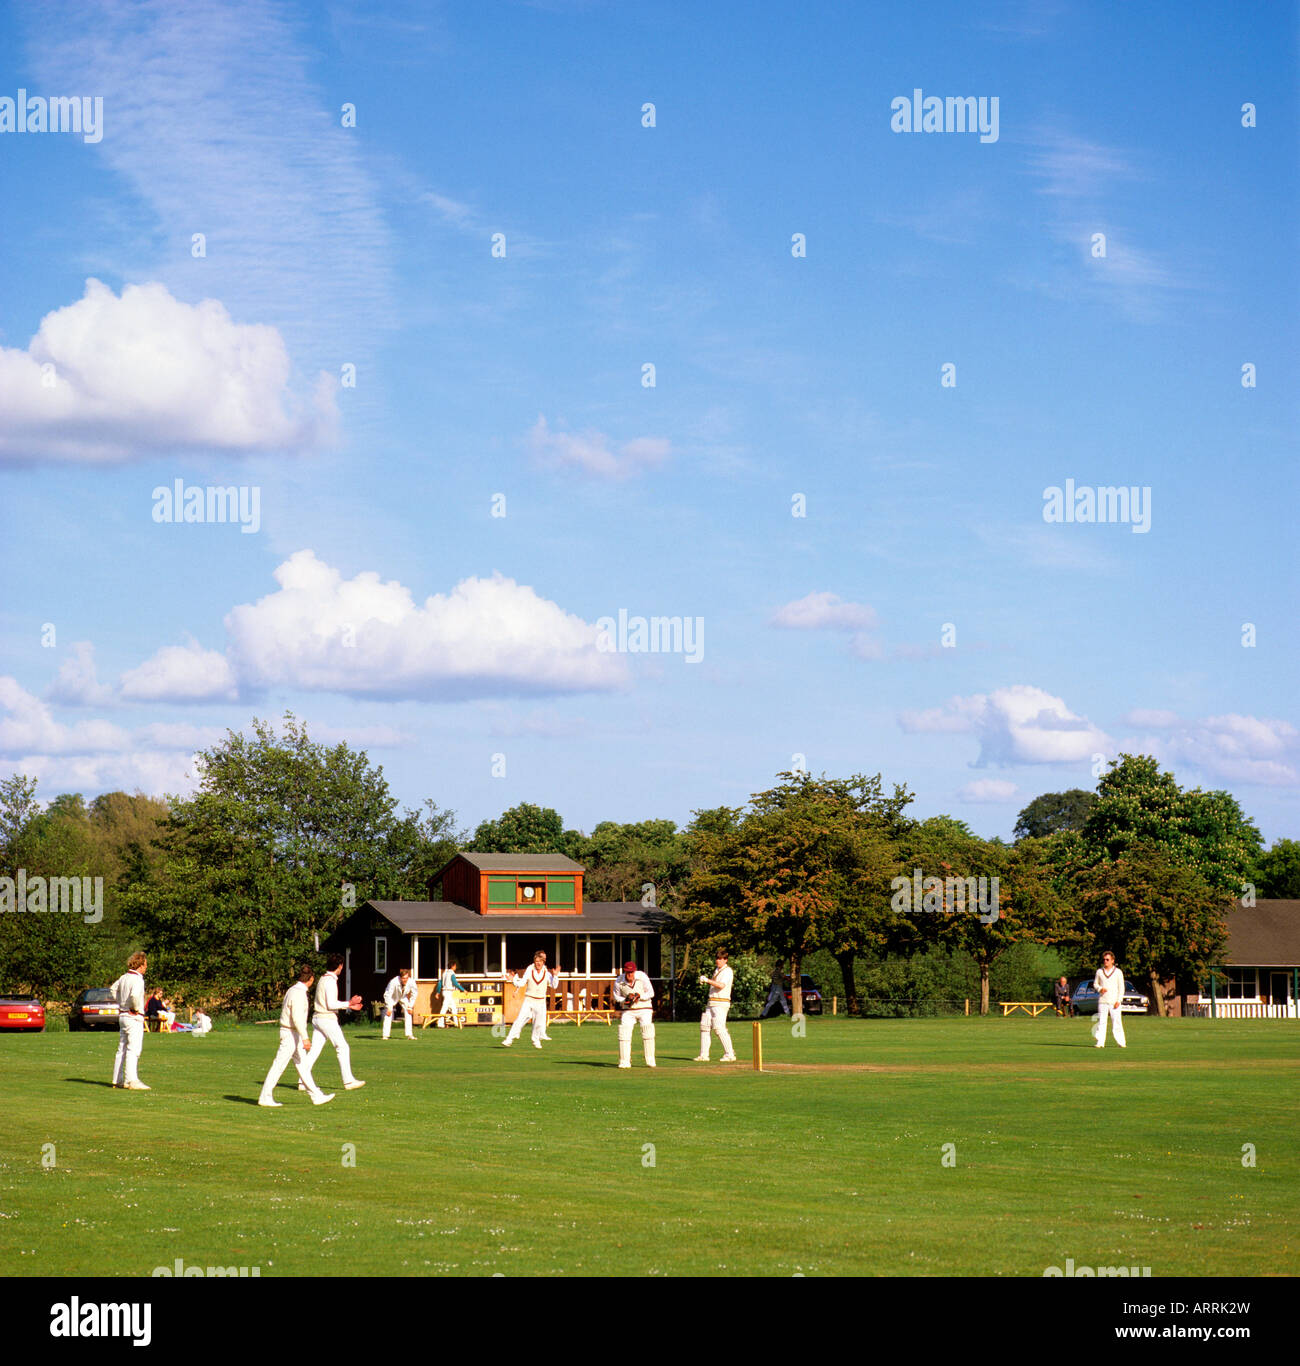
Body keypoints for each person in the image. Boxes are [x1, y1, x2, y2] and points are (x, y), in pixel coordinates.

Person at [260, 966, 334, 1107]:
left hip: (292, 1033)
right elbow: (297, 1018)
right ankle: (265, 1096)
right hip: (290, 1034)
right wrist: (305, 1037)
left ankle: (316, 1096)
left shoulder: (292, 990)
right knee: (279, 1066)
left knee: (303, 1066)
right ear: (311, 979)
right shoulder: (299, 993)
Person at [302, 953, 366, 1089]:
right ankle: (348, 1081)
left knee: (315, 1050)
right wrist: (349, 1003)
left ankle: (302, 1081)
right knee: (342, 1047)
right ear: (340, 966)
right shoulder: (330, 981)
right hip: (326, 1018)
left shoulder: (323, 979)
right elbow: (331, 1004)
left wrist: (349, 1004)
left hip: (318, 1018)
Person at [110, 952, 150, 1090]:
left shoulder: (124, 977)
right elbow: (134, 995)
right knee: (134, 1049)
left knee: (122, 1048)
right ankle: (131, 1080)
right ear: (140, 964)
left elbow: (113, 989)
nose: (146, 967)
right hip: (133, 1016)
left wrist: (122, 1004)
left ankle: (117, 1079)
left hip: (123, 1016)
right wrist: (135, 1008)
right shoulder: (138, 979)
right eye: (145, 964)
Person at [501, 950, 556, 1049]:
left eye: (540, 961)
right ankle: (509, 1039)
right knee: (519, 1019)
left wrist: (555, 976)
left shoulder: (547, 973)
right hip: (529, 999)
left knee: (538, 1023)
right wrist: (513, 980)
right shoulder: (529, 970)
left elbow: (554, 985)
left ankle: (536, 1041)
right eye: (536, 961)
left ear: (543, 962)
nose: (538, 963)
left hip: (540, 1001)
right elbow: (522, 983)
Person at [612, 959, 656, 1069]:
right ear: (624, 971)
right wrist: (625, 1000)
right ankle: (624, 1062)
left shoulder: (642, 977)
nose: (629, 975)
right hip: (628, 1010)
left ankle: (650, 1060)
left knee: (647, 1032)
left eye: (631, 972)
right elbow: (616, 996)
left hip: (644, 1008)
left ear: (634, 971)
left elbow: (651, 993)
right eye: (627, 972)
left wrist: (639, 996)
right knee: (624, 1033)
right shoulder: (619, 980)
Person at [695, 949, 736, 1062]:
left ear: (725, 960)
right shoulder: (717, 970)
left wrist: (707, 980)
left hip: (721, 1003)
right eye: (717, 958)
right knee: (704, 1026)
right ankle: (704, 1055)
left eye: (720, 959)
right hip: (711, 1002)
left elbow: (721, 985)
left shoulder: (727, 971)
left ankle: (730, 1054)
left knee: (719, 1028)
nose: (717, 961)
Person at [1092, 951, 1127, 1049]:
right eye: (1104, 959)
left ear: (1112, 961)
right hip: (1103, 1001)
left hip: (1114, 1002)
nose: (1105, 961)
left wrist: (1119, 1000)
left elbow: (1121, 988)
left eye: (1107, 960)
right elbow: (1095, 984)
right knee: (1102, 1022)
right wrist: (1100, 989)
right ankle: (1100, 1042)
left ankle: (1121, 1042)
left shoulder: (1118, 972)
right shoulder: (1099, 972)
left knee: (1117, 1022)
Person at [381, 967, 418, 1040]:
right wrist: (389, 1007)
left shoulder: (411, 982)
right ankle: (385, 1035)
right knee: (388, 1013)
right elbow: (387, 994)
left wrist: (410, 1006)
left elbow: (414, 993)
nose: (405, 980)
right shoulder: (393, 982)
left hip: (403, 996)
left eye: (406, 978)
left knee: (408, 1012)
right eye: (403, 978)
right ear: (400, 978)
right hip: (392, 997)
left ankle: (409, 1035)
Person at [437, 959, 464, 1028]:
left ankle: (456, 1023)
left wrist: (438, 992)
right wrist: (463, 990)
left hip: (444, 991)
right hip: (448, 992)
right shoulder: (452, 973)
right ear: (453, 966)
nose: (456, 967)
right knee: (444, 1007)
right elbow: (455, 983)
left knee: (453, 1008)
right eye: (455, 966)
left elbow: (440, 983)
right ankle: (440, 1023)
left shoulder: (444, 973)